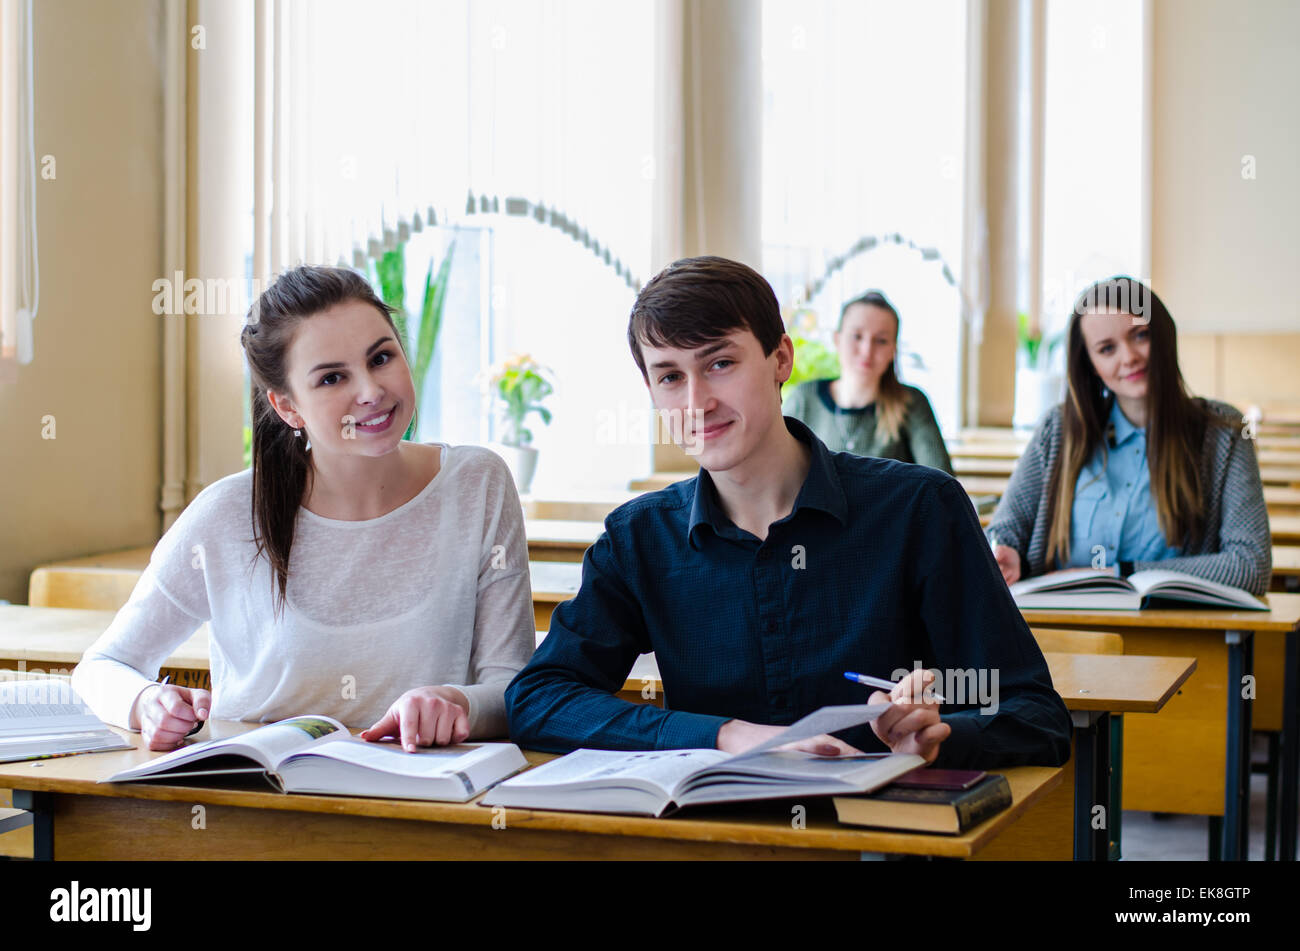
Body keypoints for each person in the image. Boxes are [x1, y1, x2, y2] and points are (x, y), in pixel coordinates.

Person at [506, 256, 1070, 768]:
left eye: (720, 363)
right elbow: (538, 698)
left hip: (887, 839)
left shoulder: (920, 508)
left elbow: (1034, 714)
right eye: (670, 376)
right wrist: (728, 735)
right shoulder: (639, 538)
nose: (697, 402)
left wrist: (943, 733)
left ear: (781, 359)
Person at [73, 266, 535, 751]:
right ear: (287, 407)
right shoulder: (228, 513)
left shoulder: (477, 483)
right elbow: (102, 668)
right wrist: (146, 701)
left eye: (381, 358)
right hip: (257, 799)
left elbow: (515, 690)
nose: (371, 392)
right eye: (333, 377)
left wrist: (457, 703)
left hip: (421, 797)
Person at [987, 276, 1271, 594]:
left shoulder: (1225, 433)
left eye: (1140, 336)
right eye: (1107, 349)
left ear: (1163, 336)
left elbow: (1250, 566)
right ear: (1091, 364)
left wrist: (1123, 573)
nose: (1129, 357)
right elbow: (1005, 530)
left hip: (1177, 635)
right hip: (1060, 631)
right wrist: (1006, 552)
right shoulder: (1058, 430)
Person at [782, 291, 952, 473]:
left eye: (881, 340)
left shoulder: (911, 402)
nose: (867, 350)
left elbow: (942, 482)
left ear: (893, 351)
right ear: (837, 339)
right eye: (856, 336)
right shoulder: (804, 399)